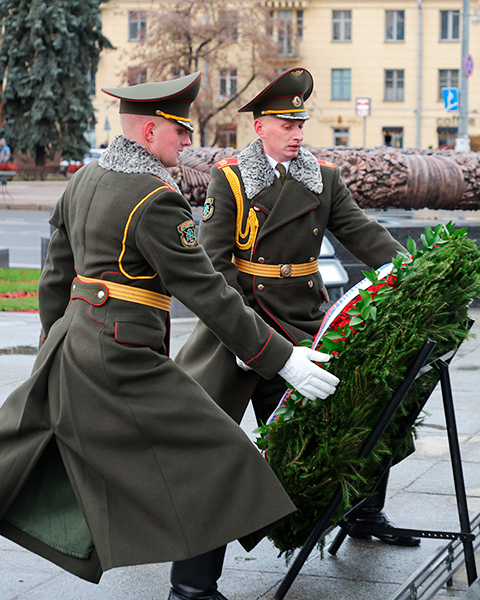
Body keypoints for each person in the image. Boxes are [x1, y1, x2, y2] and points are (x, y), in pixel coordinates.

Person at [0, 72, 338, 600]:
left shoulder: (85, 177)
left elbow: (55, 274)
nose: (188, 141)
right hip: (122, 355)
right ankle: (193, 591)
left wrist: (50, 343)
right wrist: (282, 360)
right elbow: (208, 293)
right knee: (219, 454)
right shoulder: (155, 199)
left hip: (70, 344)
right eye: (179, 130)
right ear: (150, 132)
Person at [175, 67, 418, 548]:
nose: (297, 134)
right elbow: (215, 264)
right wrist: (242, 337)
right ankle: (203, 544)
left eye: (300, 124)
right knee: (206, 433)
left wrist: (413, 269)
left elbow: (362, 234)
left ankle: (364, 511)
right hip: (247, 316)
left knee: (362, 404)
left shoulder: (322, 178)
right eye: (286, 125)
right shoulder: (231, 178)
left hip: (305, 316)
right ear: (260, 126)